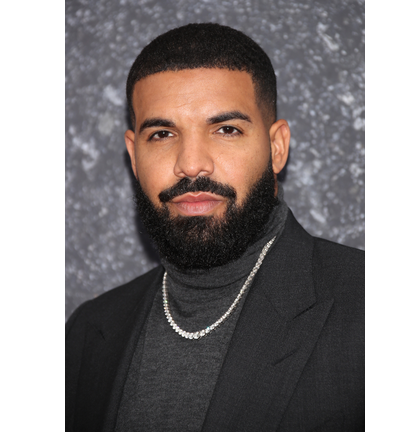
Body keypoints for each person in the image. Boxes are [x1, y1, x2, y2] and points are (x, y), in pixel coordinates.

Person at [66, 23, 364, 432]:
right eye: (163, 134)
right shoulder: (87, 333)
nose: (191, 164)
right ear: (133, 156)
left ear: (277, 147)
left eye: (226, 130)